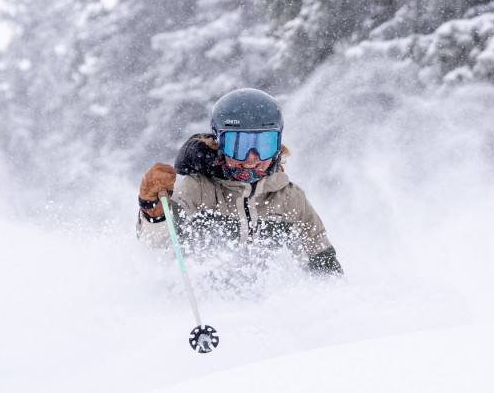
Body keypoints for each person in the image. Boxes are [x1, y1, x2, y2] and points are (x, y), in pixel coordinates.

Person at [136, 88, 342, 276]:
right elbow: (154, 245)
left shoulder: (289, 198)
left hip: (264, 309)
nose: (252, 158)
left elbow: (323, 267)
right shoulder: (198, 189)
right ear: (219, 143)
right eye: (239, 145)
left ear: (278, 144)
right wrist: (153, 210)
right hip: (199, 302)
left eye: (264, 144)